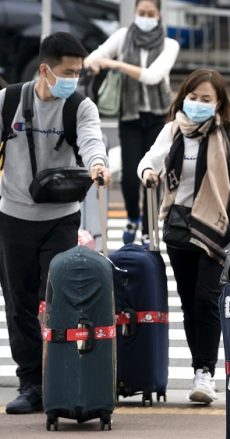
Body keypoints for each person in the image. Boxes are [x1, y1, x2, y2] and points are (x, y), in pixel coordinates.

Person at [138, 69, 230, 404]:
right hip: (179, 229)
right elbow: (147, 162)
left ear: (219, 102)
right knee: (188, 303)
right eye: (193, 97)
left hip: (218, 230)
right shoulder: (173, 130)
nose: (197, 104)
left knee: (206, 300)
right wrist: (149, 172)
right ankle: (201, 367)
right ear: (183, 97)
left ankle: (205, 373)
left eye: (206, 99)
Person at [0, 32, 110, 414]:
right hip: (12, 217)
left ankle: (62, 378)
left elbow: (92, 140)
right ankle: (31, 382)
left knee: (60, 301)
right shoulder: (9, 101)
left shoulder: (79, 106)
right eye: (67, 72)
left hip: (61, 218)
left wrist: (98, 164)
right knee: (18, 304)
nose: (73, 80)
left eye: (78, 73)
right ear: (44, 70)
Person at [84, 0, 179, 244]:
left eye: (150, 13)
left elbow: (152, 76)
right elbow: (92, 58)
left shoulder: (170, 45)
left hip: (158, 116)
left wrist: (114, 63)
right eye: (141, 13)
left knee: (153, 173)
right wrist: (95, 62)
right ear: (135, 12)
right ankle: (132, 217)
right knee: (128, 175)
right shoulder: (123, 36)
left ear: (159, 16)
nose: (145, 17)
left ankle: (148, 228)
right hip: (130, 115)